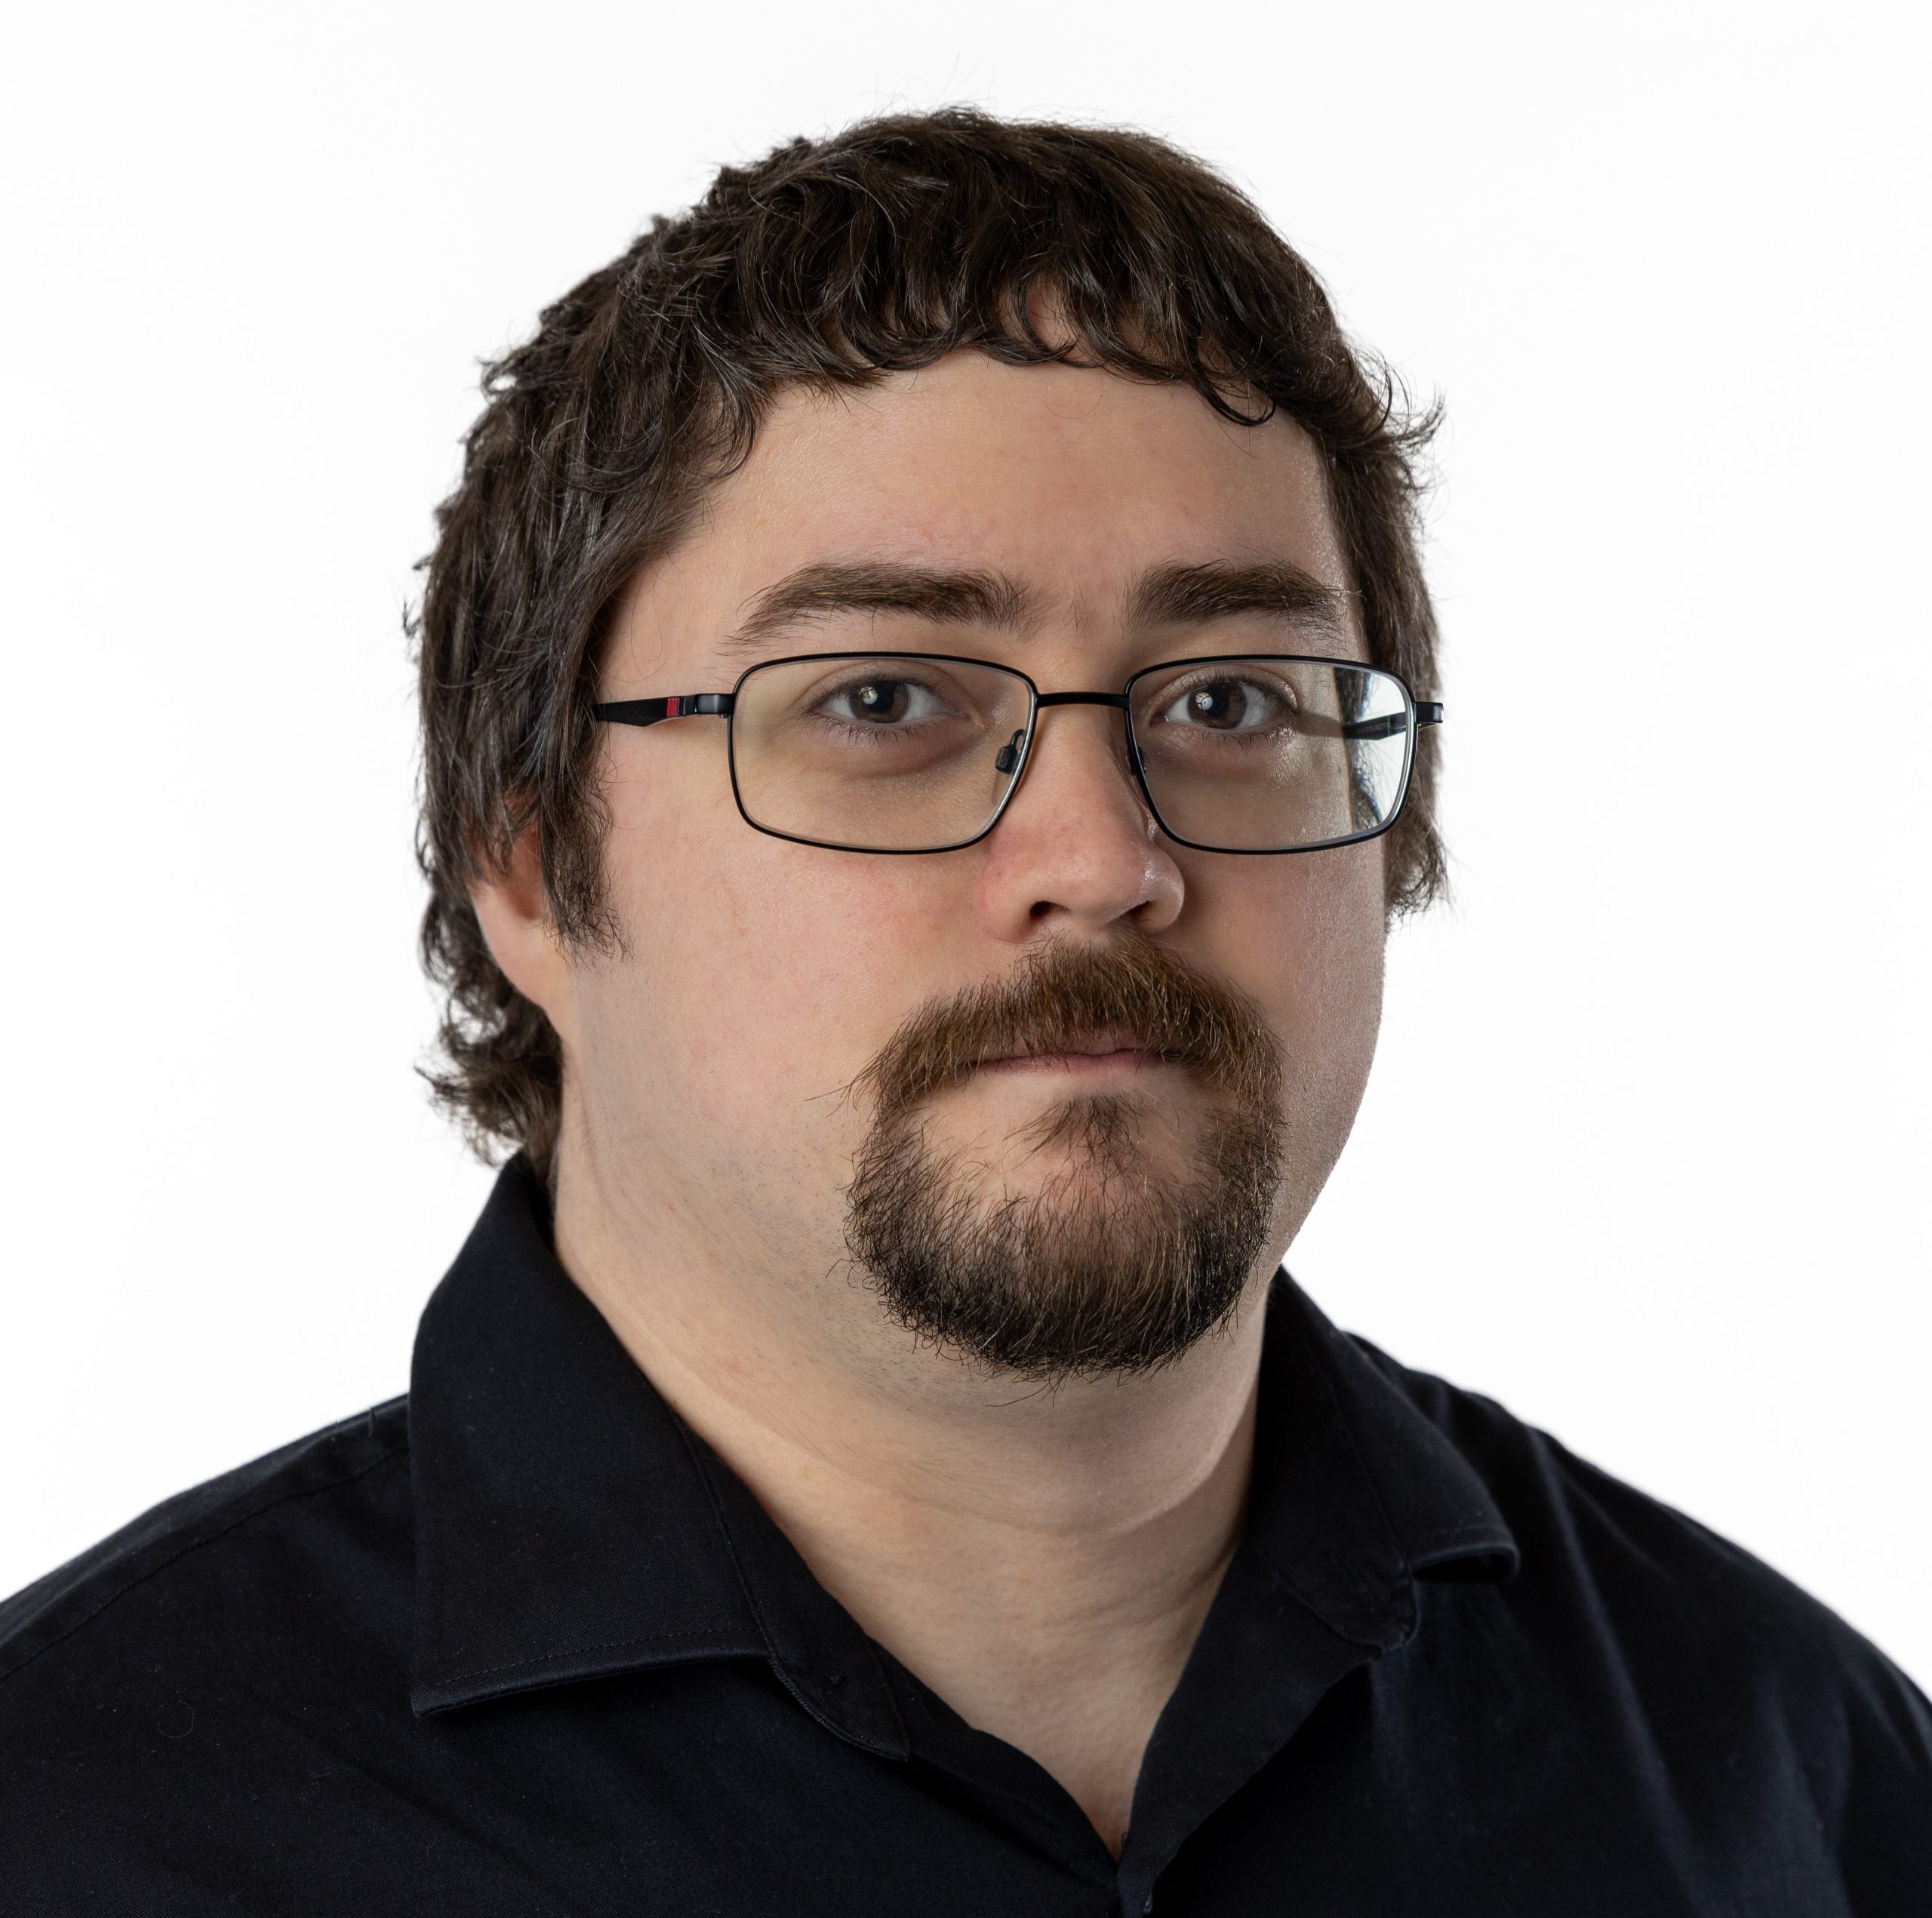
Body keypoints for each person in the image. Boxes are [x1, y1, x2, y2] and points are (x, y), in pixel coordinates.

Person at [2, 109, 1925, 1916]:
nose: (1097, 857)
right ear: (526, 866)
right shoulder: (77, 1817)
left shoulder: (1782, 1778)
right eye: (879, 702)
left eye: (1231, 702)